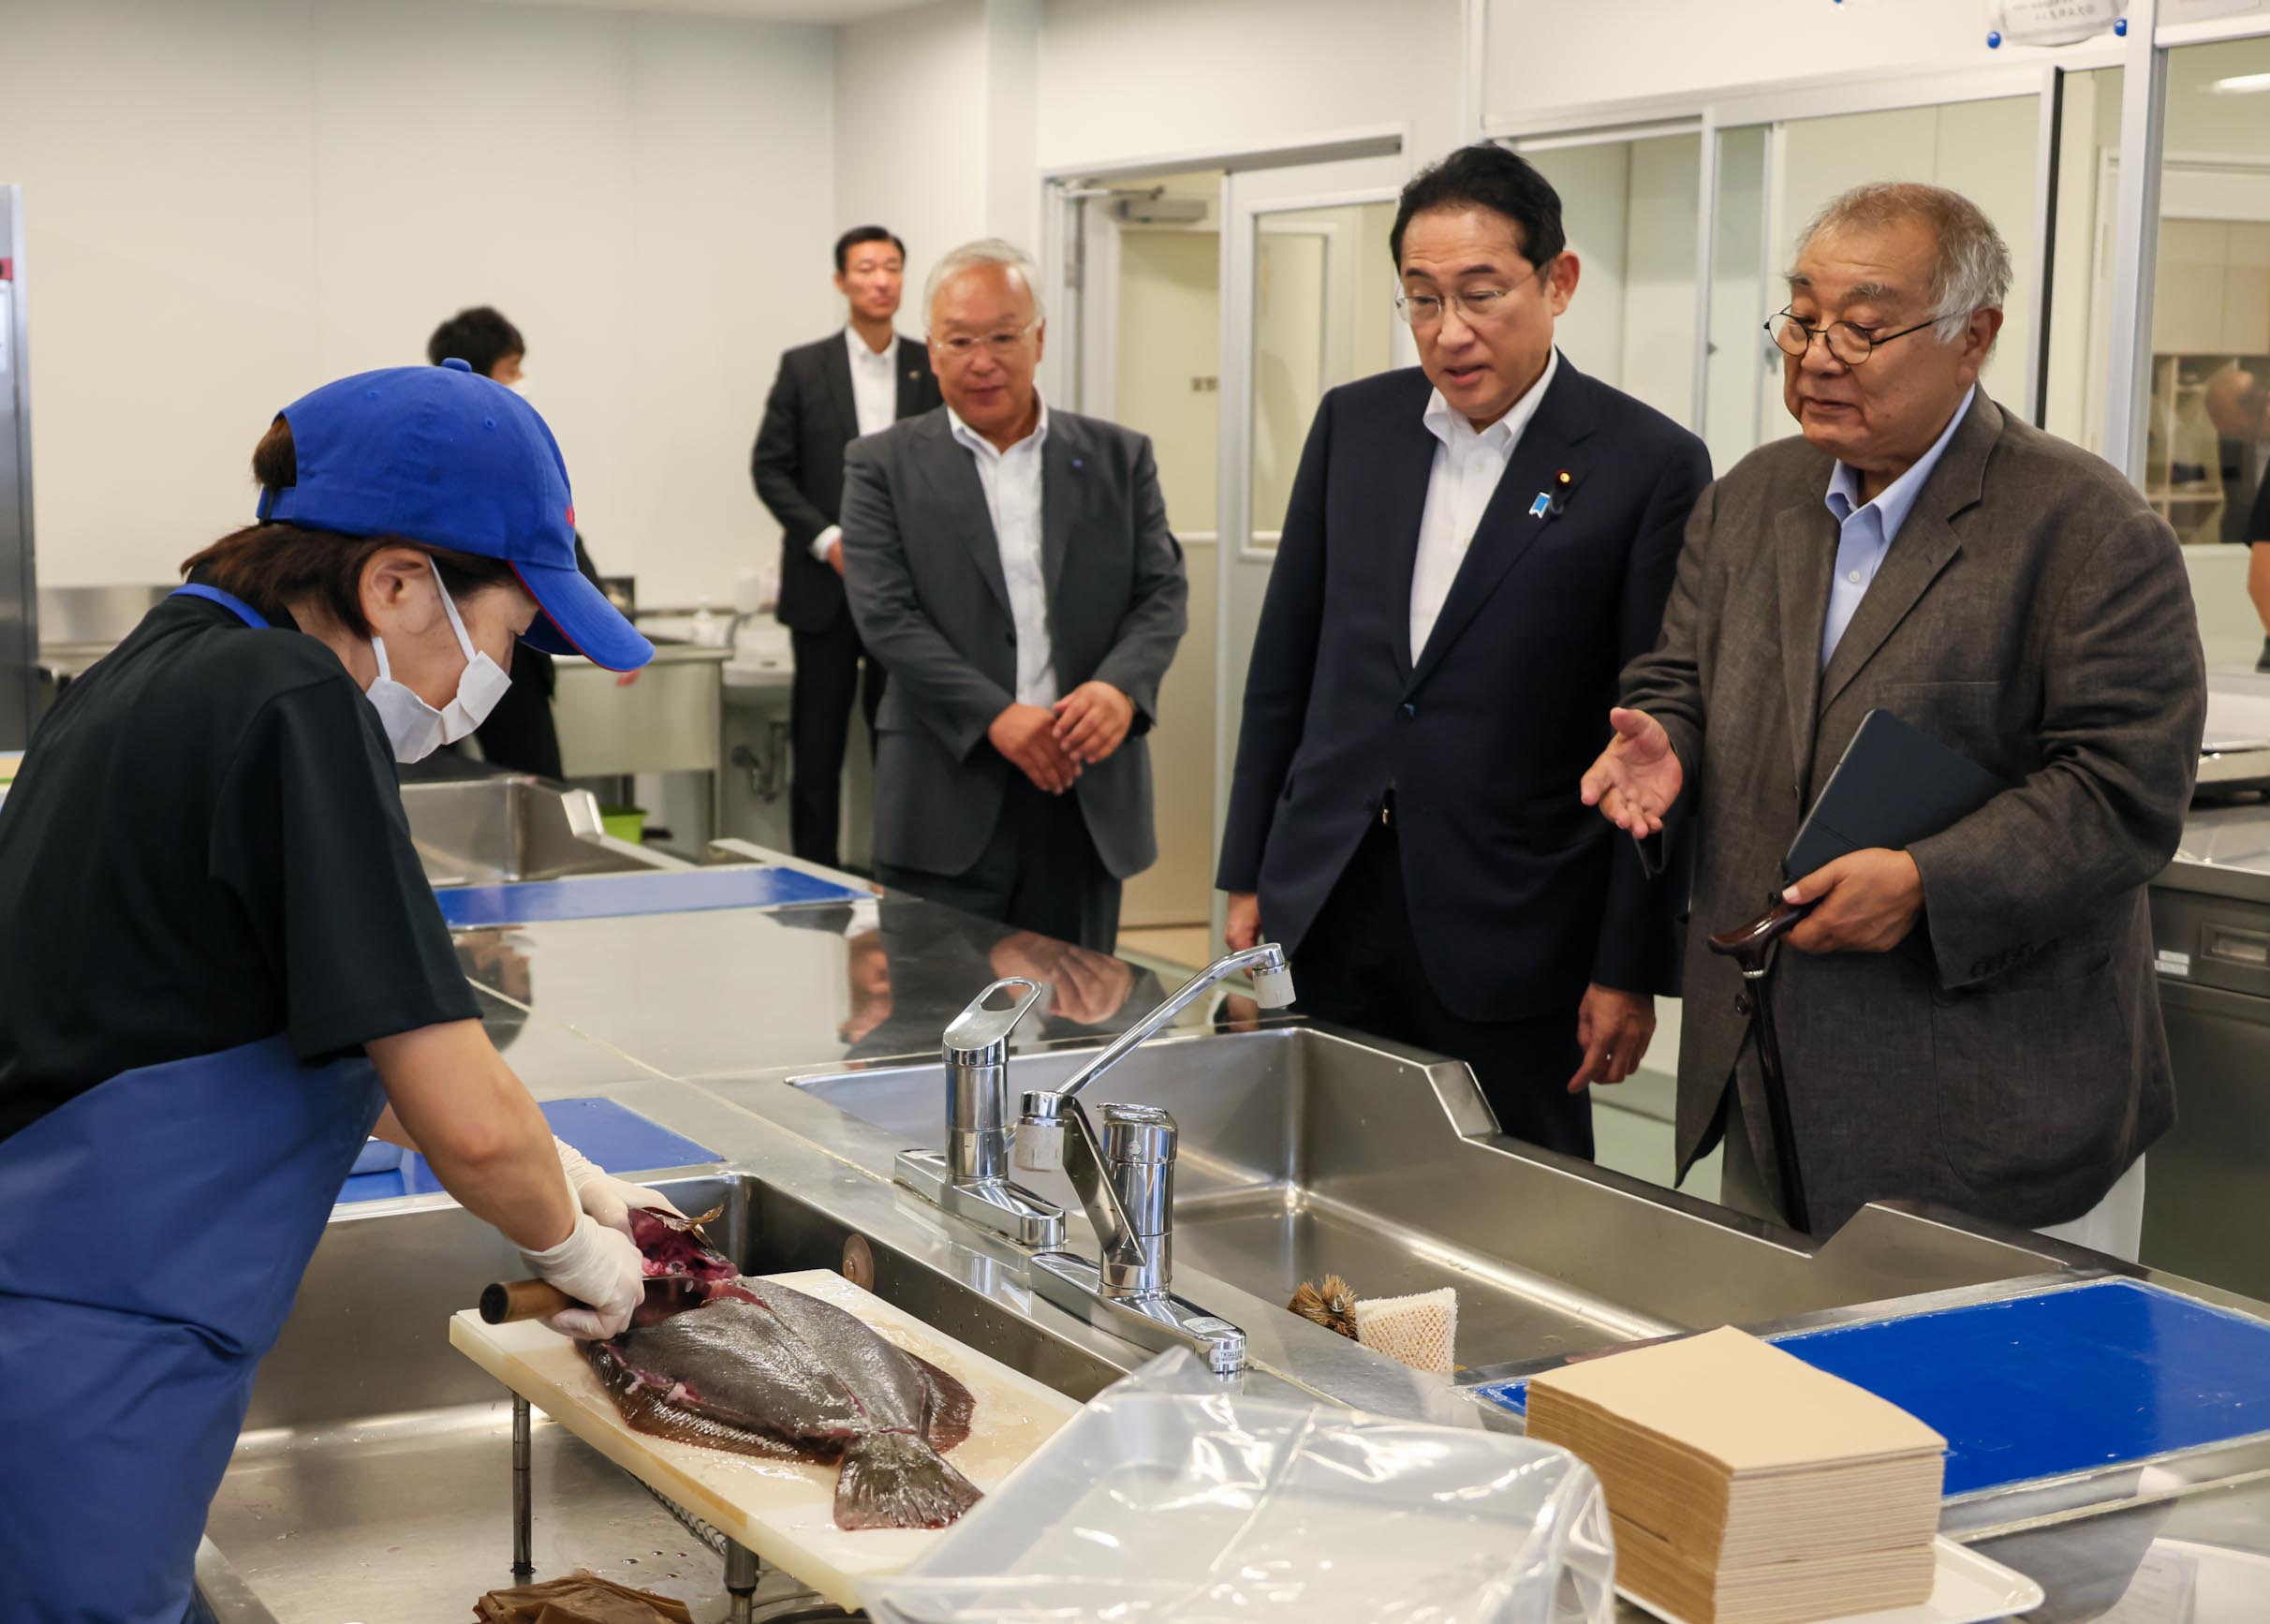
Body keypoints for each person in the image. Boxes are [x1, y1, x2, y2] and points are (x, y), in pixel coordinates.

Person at [0, 362, 683, 1621]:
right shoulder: (295, 706)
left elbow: (288, 1036)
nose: (498, 680)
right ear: (396, 583)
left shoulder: (165, 665)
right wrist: (582, 1255)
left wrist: (571, 1174)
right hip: (44, 1414)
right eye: (511, 635)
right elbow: (462, 1112)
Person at [1582, 183, 2205, 1248]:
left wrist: (1925, 884)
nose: (1817, 354)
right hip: (1770, 1081)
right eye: (1802, 319)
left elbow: (2121, 792)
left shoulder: (2085, 528)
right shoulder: (1750, 498)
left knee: (1994, 1409)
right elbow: (1677, 675)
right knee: (1777, 1402)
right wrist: (1666, 741)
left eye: (1863, 329)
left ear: (1974, 339)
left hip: (1988, 1111)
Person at [1215, 144, 1711, 1158]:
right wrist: (1246, 875)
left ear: (1556, 282)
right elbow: (1287, 670)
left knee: (1510, 1211)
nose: (1449, 332)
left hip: (1514, 923)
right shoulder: (1356, 425)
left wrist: (1625, 965)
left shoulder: (1644, 464)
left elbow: (1655, 730)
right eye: (1422, 299)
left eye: (1481, 295)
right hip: (1328, 892)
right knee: (1307, 1179)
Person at [841, 239, 1188, 954]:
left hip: (1083, 791)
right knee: (935, 1032)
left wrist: (1120, 691)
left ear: (1039, 339)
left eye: (1003, 337)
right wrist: (996, 715)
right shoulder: (881, 465)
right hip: (943, 791)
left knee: (1077, 1030)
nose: (982, 360)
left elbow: (1160, 592)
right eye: (960, 340)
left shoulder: (1119, 457)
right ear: (931, 350)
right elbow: (886, 617)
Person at [753, 228, 944, 869]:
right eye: (866, 268)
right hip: (824, 591)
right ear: (842, 282)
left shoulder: (931, 363)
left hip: (910, 590)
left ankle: (903, 875)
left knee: (906, 744)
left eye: (892, 267)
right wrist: (829, 541)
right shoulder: (805, 367)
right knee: (818, 748)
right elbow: (770, 467)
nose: (881, 280)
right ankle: (814, 878)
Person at [427, 304, 622, 779]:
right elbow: (555, 542)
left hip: (502, 657)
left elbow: (560, 536)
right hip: (465, 652)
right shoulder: (480, 449)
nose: (523, 381)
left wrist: (604, 624)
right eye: (512, 370)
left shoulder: (474, 445)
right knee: (460, 789)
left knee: (526, 790)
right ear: (478, 376)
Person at [2202, 360, 2270, 668]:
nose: (2217, 427)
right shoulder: (2232, 442)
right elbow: (2237, 505)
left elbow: (2261, 579)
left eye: (2219, 416)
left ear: (2251, 408)